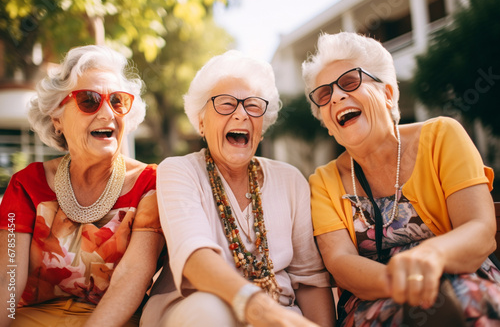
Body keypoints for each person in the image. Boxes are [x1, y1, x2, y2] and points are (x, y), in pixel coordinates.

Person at [302, 31, 500, 326]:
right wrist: (404, 283)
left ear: (388, 93)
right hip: (373, 300)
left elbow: (480, 229)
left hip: (461, 278)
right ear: (328, 124)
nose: (337, 96)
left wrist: (431, 257)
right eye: (324, 94)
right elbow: (341, 263)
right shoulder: (322, 182)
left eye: (350, 81)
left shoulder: (441, 136)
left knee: (461, 302)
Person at [140, 50, 335, 327]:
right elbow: (195, 257)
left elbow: (310, 280)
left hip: (280, 316)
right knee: (211, 311)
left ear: (262, 126)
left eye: (253, 106)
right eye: (226, 103)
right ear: (201, 122)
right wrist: (259, 309)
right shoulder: (178, 171)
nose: (241, 114)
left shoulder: (291, 180)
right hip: (196, 311)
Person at [0, 45, 165, 327]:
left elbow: (131, 278)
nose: (107, 114)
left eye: (117, 101)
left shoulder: (152, 184)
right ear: (57, 119)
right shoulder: (26, 185)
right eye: (89, 100)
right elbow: (7, 279)